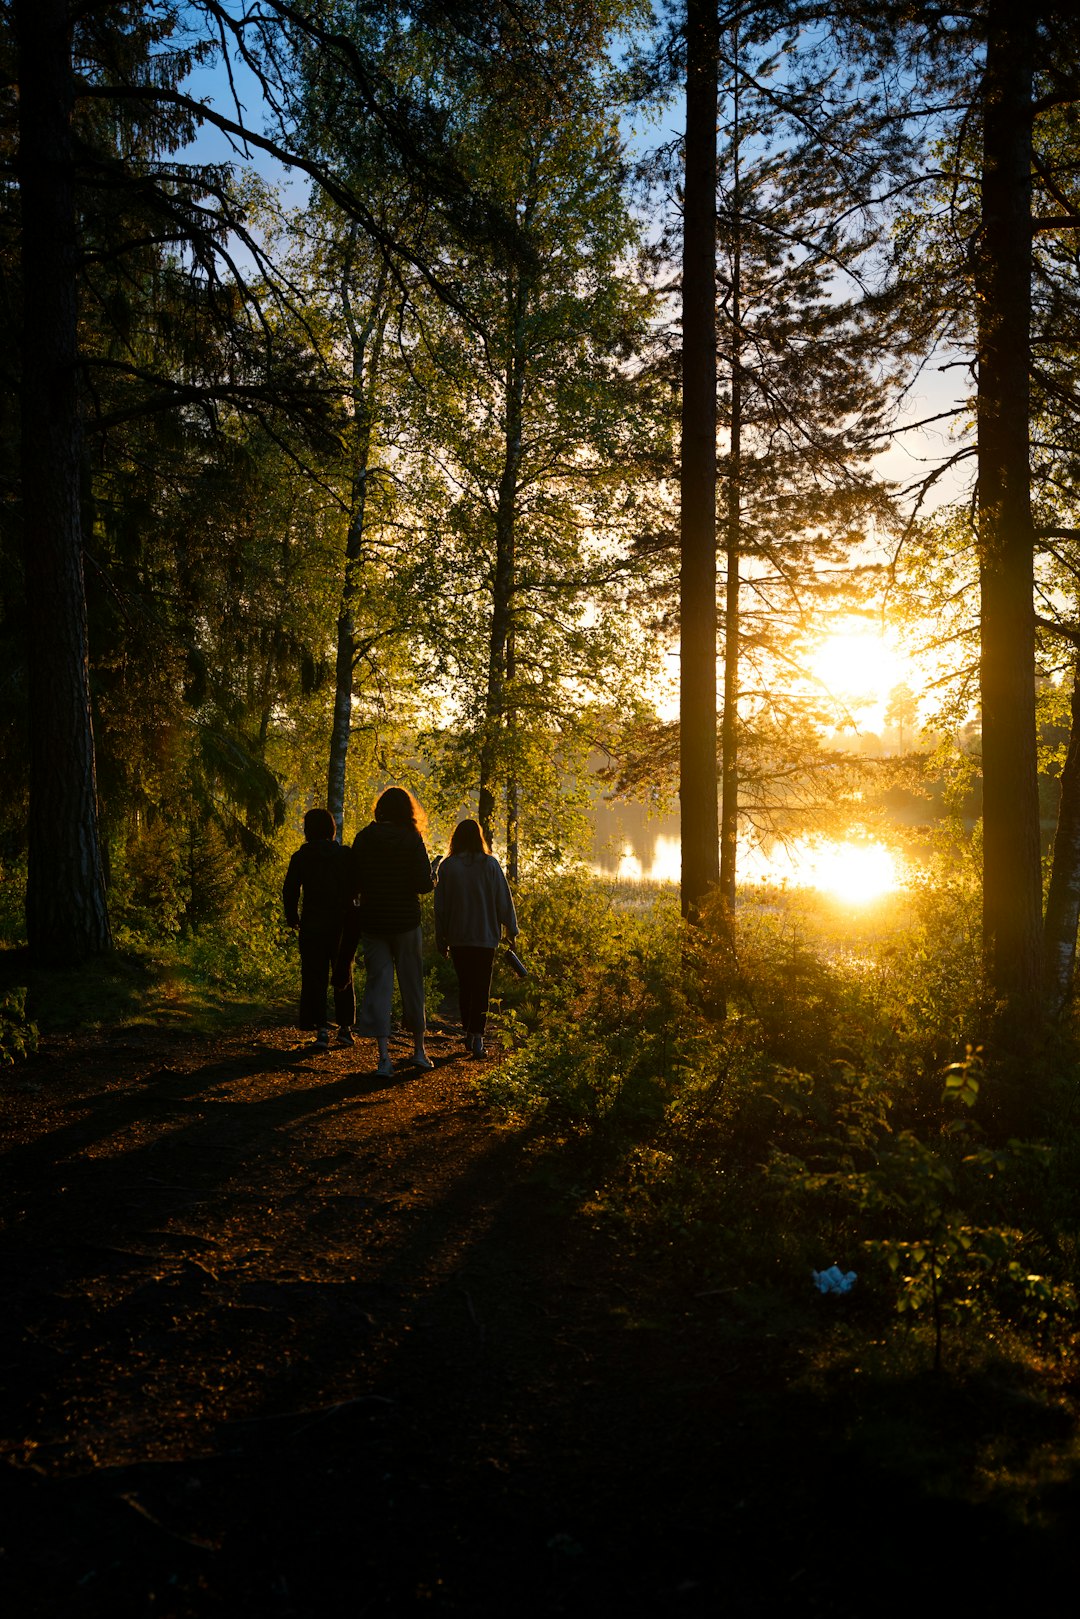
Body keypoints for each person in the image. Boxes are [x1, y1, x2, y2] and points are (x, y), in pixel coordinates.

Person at [351, 786, 435, 1078]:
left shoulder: (363, 839)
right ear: (407, 810)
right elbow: (424, 885)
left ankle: (383, 1057)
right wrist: (432, 877)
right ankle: (419, 1052)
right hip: (406, 922)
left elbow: (354, 882)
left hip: (373, 922)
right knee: (412, 984)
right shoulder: (412, 839)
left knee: (378, 985)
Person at [434, 818, 518, 1058]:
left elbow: (440, 907)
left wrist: (441, 937)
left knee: (465, 985)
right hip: (485, 937)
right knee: (481, 986)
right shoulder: (490, 865)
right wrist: (512, 929)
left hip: (459, 937)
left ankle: (469, 1032)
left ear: (456, 838)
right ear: (479, 838)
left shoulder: (447, 867)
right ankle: (477, 1037)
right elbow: (504, 900)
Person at [282, 808, 356, 1049]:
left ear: (308, 830)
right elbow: (355, 888)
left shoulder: (301, 857)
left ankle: (321, 1029)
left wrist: (292, 916)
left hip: (312, 922)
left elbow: (290, 889)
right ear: (331, 829)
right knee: (343, 972)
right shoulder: (345, 855)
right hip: (341, 923)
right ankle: (345, 1029)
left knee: (315, 976)